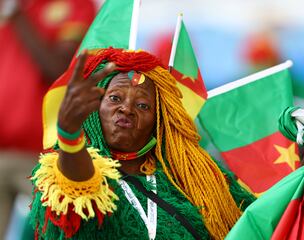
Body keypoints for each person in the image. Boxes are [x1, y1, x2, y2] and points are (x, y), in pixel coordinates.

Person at [29, 48, 256, 240]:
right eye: (115, 98)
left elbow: (255, 221)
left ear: (158, 122)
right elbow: (78, 186)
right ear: (94, 108)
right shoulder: (73, 168)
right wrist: (69, 136)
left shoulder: (191, 177)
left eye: (143, 106)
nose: (127, 109)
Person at [0, 0, 95, 238]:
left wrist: (16, 15)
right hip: (3, 152)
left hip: (47, 156)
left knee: (59, 232)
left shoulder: (77, 5)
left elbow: (60, 69)